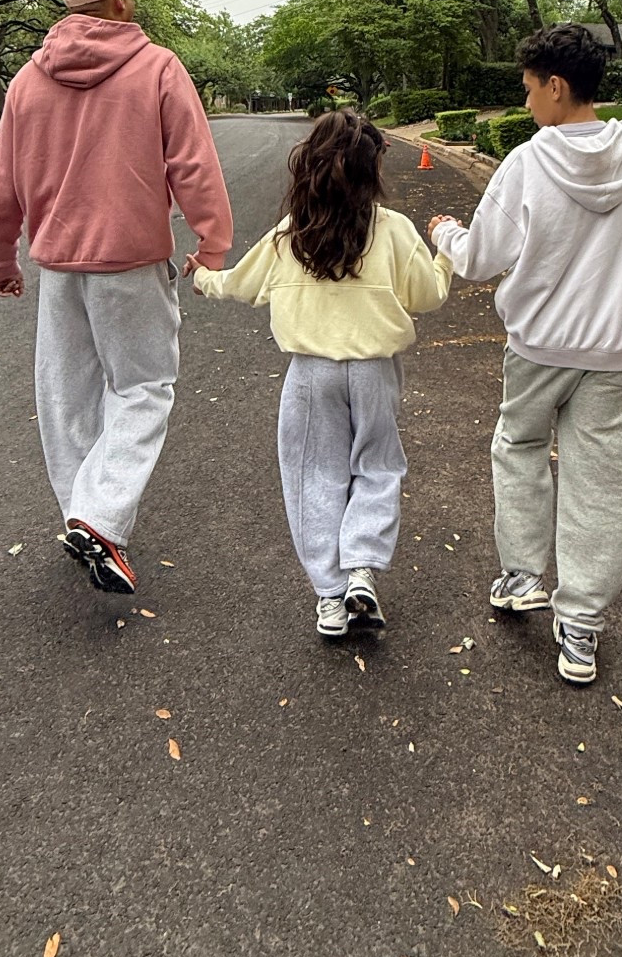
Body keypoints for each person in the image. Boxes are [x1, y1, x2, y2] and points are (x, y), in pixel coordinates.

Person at [427, 24, 622, 688]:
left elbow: (482, 259)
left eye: (529, 90)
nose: (526, 104)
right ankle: (580, 627)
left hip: (537, 349)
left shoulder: (527, 163)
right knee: (602, 480)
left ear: (556, 86)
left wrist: (446, 234)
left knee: (520, 448)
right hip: (614, 354)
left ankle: (523, 575)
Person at [0, 0, 233, 597]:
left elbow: (1, 184)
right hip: (131, 261)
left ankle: (86, 512)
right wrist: (213, 242)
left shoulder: (27, 84)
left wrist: (0, 257)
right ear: (120, 0)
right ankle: (99, 515)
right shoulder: (156, 68)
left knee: (66, 393)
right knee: (144, 386)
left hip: (60, 267)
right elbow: (194, 167)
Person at [192, 110, 452, 640]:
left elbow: (241, 284)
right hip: (376, 371)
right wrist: (445, 256)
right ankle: (361, 568)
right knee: (378, 467)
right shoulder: (394, 230)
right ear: (371, 169)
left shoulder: (293, 234)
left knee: (314, 476)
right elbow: (428, 295)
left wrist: (203, 279)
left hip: (311, 376)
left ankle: (330, 596)